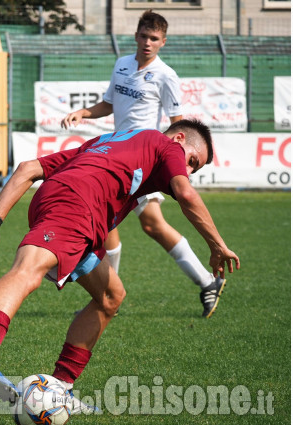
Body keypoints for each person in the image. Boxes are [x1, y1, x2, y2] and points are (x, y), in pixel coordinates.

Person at [0, 120, 240, 413]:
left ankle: (60, 387)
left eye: (195, 169)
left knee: (111, 295)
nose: (188, 171)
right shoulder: (166, 145)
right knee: (28, 269)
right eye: (192, 161)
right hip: (76, 205)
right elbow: (187, 194)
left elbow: (28, 168)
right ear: (179, 138)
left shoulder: (111, 141)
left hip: (72, 209)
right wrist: (217, 245)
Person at [61, 10, 224, 318]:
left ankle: (206, 281)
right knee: (105, 222)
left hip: (143, 160)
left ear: (163, 42)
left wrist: (167, 162)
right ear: (135, 35)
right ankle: (107, 294)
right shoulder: (122, 64)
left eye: (154, 38)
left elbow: (180, 127)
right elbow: (109, 104)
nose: (147, 43)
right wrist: (83, 112)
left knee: (152, 224)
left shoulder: (166, 75)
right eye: (143, 36)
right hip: (116, 154)